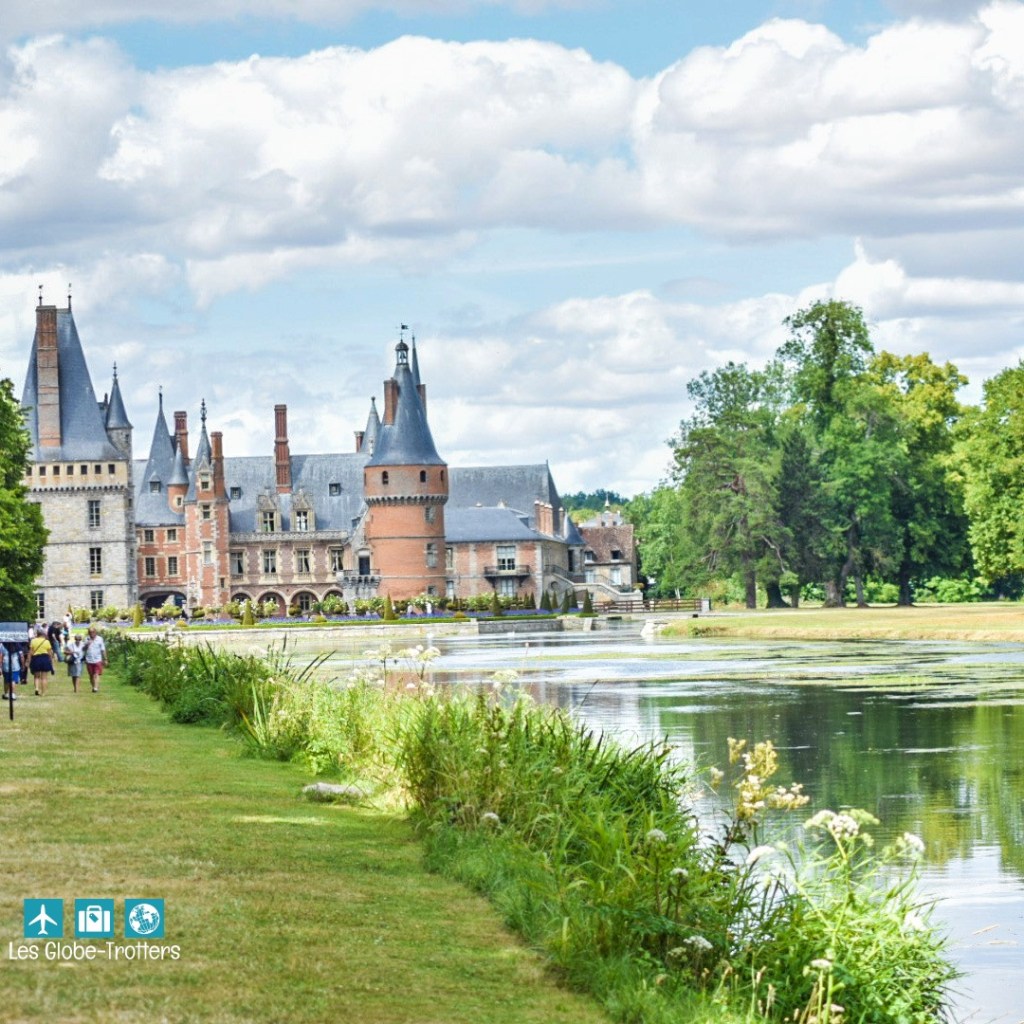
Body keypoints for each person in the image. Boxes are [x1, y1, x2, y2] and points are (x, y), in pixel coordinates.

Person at [28, 627, 54, 696]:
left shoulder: (33, 641)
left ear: (37, 634)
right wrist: (51, 661)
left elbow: (31, 652)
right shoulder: (46, 641)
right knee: (44, 677)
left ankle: (37, 688)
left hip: (36, 658)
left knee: (36, 676)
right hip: (45, 658)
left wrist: (29, 660)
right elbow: (50, 653)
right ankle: (43, 692)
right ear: (43, 634)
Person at [84, 627, 108, 693]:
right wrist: (87, 644)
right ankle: (93, 686)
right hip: (89, 660)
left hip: (98, 660)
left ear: (95, 632)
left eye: (92, 632)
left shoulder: (100, 639)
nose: (91, 634)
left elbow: (103, 649)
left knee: (96, 674)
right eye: (90, 632)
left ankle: (96, 688)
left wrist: (105, 659)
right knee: (91, 675)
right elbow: (83, 649)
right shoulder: (86, 639)